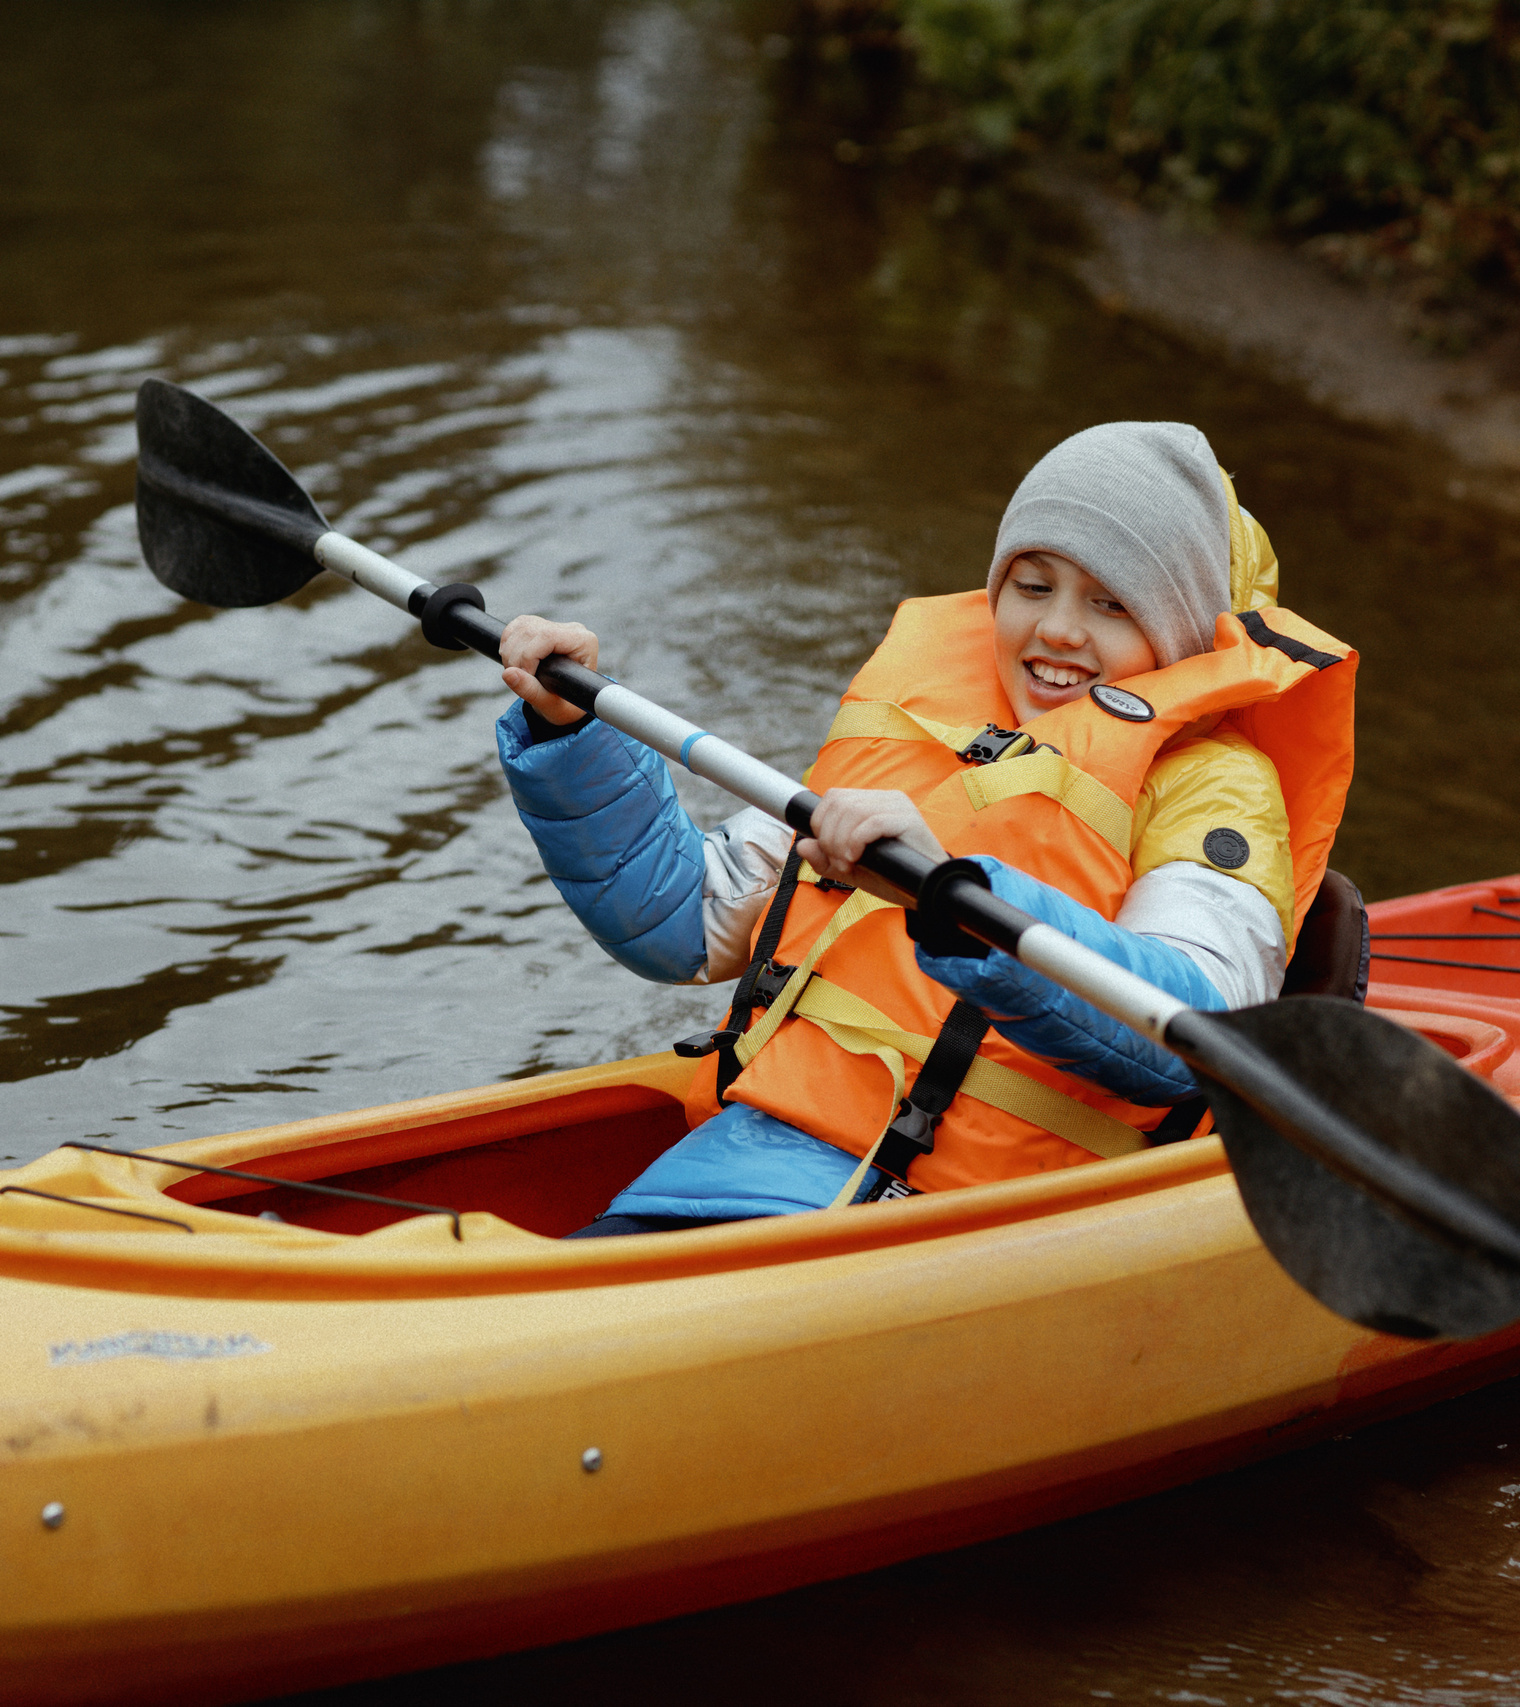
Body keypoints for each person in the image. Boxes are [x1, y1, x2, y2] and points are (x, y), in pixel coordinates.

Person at [494, 422, 1357, 1234]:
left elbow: (1198, 1035)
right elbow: (679, 920)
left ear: (1174, 626)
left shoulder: (1214, 787)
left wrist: (957, 895)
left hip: (974, 1217)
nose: (1057, 626)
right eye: (1032, 585)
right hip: (750, 1161)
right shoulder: (921, 727)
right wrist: (574, 731)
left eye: (1110, 603)